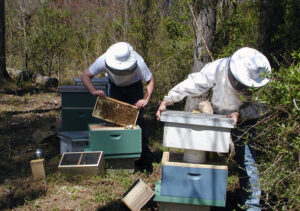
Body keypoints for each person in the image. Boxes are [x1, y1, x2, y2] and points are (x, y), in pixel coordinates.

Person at [156, 47, 271, 210]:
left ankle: (252, 204)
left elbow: (261, 106)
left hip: (244, 119)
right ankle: (209, 198)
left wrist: (241, 113)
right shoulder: (218, 68)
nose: (241, 86)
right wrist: (168, 99)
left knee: (246, 159)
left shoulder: (262, 81)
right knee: (210, 157)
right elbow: (194, 83)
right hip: (219, 115)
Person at [81, 42, 155, 173]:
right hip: (115, 87)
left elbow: (150, 80)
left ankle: (143, 160)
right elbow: (85, 76)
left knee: (137, 123)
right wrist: (93, 91)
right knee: (115, 122)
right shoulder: (103, 60)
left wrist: (145, 99)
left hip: (134, 87)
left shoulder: (138, 61)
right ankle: (118, 158)